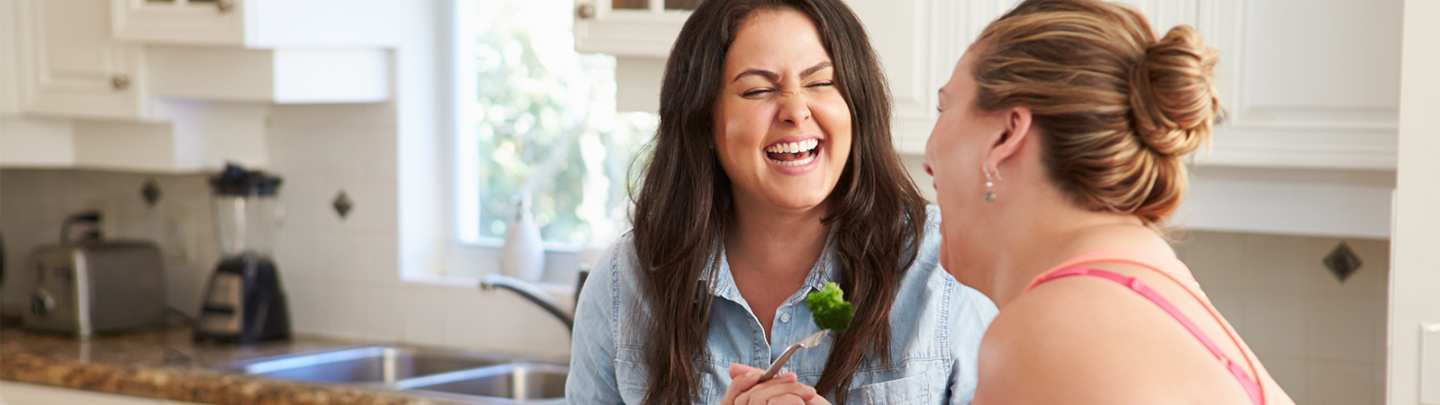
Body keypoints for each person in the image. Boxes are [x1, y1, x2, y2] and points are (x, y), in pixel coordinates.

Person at [566, 0, 997, 404]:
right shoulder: (625, 285)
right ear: (704, 120)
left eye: (821, 82)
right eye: (756, 91)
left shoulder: (949, 268)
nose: (795, 109)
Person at [921, 0, 1297, 404]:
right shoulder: (1154, 288)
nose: (927, 160)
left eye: (944, 107)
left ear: (1005, 136)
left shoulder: (1049, 334)